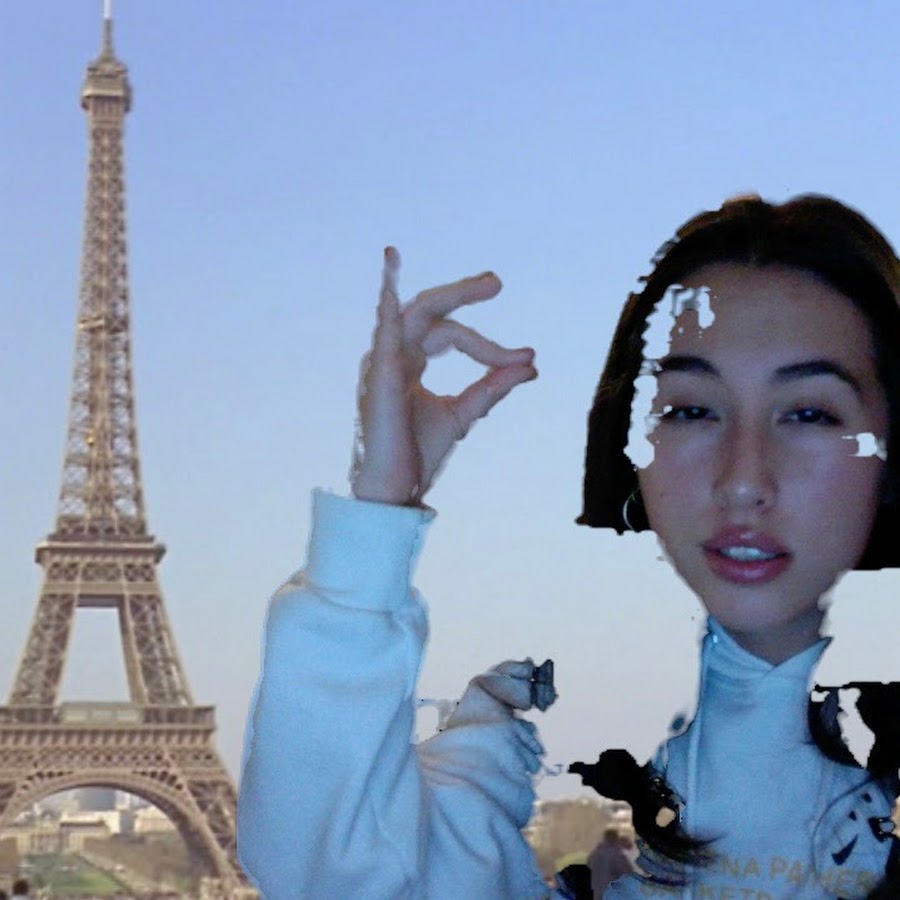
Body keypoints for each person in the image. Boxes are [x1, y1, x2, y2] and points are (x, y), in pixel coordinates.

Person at [238, 195, 900, 899]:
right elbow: (337, 878)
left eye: (808, 413)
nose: (743, 480)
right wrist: (378, 509)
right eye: (690, 411)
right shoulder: (542, 733)